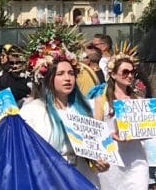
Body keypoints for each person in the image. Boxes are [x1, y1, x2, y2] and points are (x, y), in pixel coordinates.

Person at [19, 29, 105, 180]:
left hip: (79, 180)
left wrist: (99, 162)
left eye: (71, 73)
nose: (68, 79)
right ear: (48, 78)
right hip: (47, 180)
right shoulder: (32, 110)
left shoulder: (83, 110)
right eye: (60, 74)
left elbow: (93, 152)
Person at [94, 51, 150, 190]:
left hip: (136, 161)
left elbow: (145, 128)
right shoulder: (101, 101)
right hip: (113, 163)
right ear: (112, 74)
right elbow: (95, 132)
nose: (130, 75)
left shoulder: (138, 99)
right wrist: (111, 136)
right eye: (125, 72)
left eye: (132, 72)